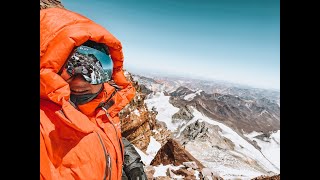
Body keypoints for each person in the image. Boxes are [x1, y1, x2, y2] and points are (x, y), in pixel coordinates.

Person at [40, 7, 147, 180]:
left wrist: (129, 161)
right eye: (69, 66)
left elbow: (101, 132)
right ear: (49, 67)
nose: (80, 81)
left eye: (96, 70)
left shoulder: (101, 106)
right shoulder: (44, 125)